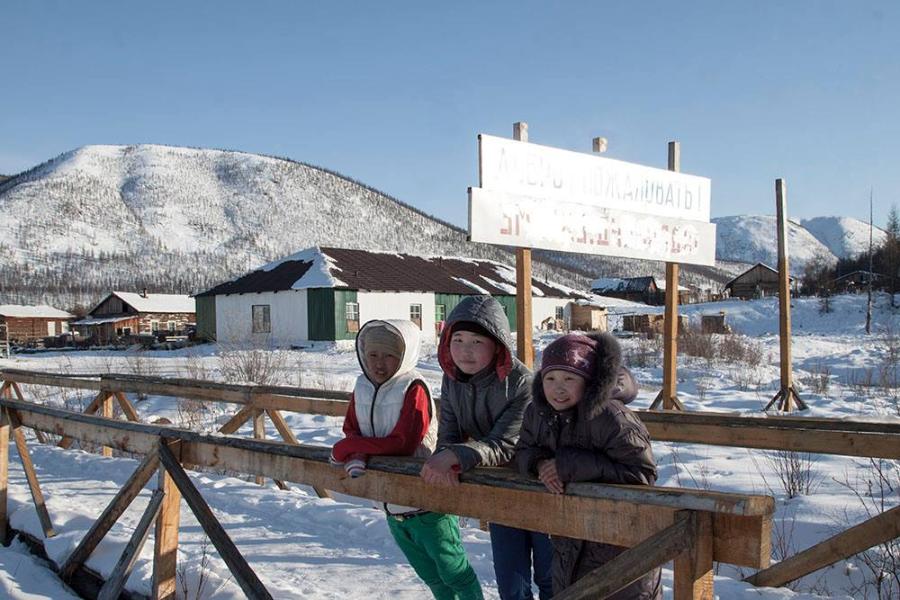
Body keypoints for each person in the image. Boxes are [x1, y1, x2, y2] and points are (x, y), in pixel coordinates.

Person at [331, 319, 483, 600]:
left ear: (404, 356)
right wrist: (357, 450)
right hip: (391, 505)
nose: (379, 363)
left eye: (389, 355)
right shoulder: (362, 386)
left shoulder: (413, 388)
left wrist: (350, 448)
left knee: (455, 573)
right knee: (431, 577)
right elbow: (352, 426)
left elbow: (404, 443)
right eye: (372, 355)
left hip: (427, 502)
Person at [420, 296, 553, 600]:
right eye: (458, 339)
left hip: (541, 486)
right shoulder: (453, 378)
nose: (465, 350)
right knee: (511, 582)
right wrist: (447, 458)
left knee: (551, 579)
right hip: (500, 491)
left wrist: (454, 456)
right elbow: (449, 432)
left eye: (477, 341)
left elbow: (506, 444)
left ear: (498, 344)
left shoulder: (522, 382)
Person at [513, 332, 662, 599]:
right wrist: (540, 463)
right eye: (550, 378)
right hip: (569, 540)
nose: (558, 388)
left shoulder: (611, 417)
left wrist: (568, 466)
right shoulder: (538, 413)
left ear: (589, 380)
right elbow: (521, 450)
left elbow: (642, 474)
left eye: (569, 378)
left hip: (622, 548)